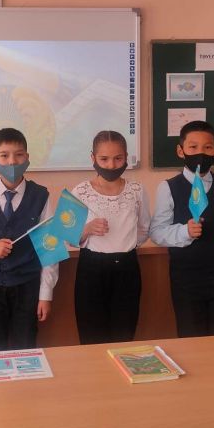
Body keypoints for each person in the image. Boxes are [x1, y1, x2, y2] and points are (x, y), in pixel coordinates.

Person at [150, 120, 214, 337]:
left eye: (207, 147)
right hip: (187, 281)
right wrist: (184, 232)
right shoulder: (168, 187)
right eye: (193, 147)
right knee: (191, 341)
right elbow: (157, 232)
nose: (201, 153)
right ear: (181, 151)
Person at [0, 127, 57, 352]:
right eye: (4, 155)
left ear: (27, 158)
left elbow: (49, 249)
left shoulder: (41, 196)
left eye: (19, 155)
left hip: (27, 287)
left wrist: (45, 295)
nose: (12, 161)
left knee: (26, 348)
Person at [71, 130, 150, 344]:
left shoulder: (136, 190)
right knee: (91, 335)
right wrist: (87, 229)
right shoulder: (80, 191)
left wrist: (126, 245)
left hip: (127, 267)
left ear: (126, 157)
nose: (111, 165)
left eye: (118, 158)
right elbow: (66, 236)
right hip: (91, 268)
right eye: (104, 159)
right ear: (93, 158)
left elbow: (144, 228)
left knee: (124, 334)